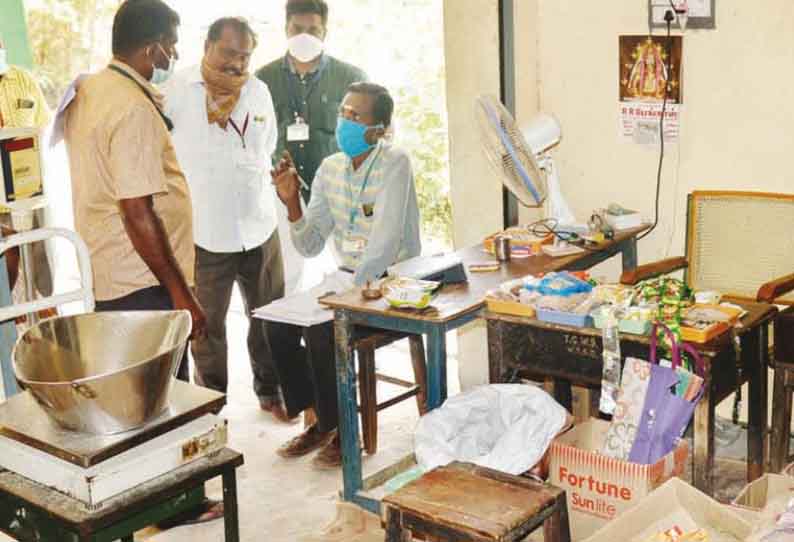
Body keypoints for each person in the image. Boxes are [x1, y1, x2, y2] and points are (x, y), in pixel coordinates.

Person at [63, 0, 221, 526]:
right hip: (142, 279)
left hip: (112, 271)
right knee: (160, 396)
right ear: (152, 47)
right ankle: (172, 505)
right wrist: (181, 293)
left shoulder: (93, 87)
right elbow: (137, 210)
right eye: (171, 47)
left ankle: (156, 500)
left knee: (138, 398)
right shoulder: (130, 107)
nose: (173, 56)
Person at [270, 82, 421, 468]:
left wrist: (346, 294)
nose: (344, 122)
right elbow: (309, 245)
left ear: (380, 129)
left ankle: (343, 430)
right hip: (347, 276)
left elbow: (385, 243)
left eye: (356, 116)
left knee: (322, 330)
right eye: (343, 112)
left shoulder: (394, 163)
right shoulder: (329, 168)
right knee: (276, 323)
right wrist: (292, 204)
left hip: (392, 278)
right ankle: (320, 419)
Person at [162, 17, 290, 421]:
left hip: (258, 225)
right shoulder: (175, 92)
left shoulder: (259, 92)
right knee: (207, 328)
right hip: (206, 232)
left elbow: (265, 148)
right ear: (207, 46)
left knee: (268, 316)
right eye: (228, 53)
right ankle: (211, 405)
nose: (236, 64)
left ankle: (270, 388)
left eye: (245, 55)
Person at [256, 0, 367, 295]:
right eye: (297, 29)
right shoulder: (262, 81)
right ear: (285, 29)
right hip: (285, 191)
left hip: (338, 190)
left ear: (325, 32)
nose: (305, 36)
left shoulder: (351, 79)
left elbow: (368, 139)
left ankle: (351, 337)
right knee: (285, 279)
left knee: (353, 271)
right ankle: (286, 340)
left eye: (313, 30)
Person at [0, 35, 55, 308]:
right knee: (7, 267)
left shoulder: (22, 80)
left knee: (40, 260)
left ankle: (48, 315)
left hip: (28, 188)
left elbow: (42, 126)